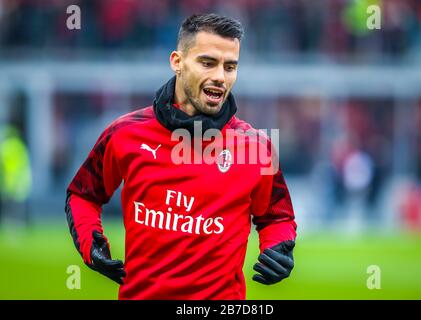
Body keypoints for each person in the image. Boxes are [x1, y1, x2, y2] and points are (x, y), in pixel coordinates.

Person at [65, 13, 297, 300]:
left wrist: (278, 247)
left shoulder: (255, 147)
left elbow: (277, 217)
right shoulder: (124, 134)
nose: (220, 77)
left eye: (230, 67)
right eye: (208, 63)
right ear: (177, 61)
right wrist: (90, 242)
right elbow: (83, 195)